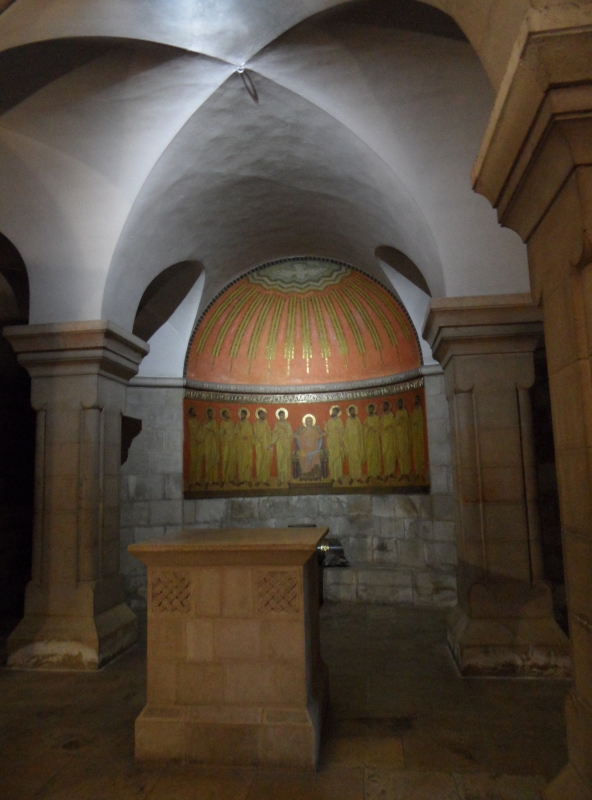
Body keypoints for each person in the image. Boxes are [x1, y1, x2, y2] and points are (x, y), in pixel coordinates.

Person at [295, 414, 323, 479]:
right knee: (302, 456)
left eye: (310, 421)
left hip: (313, 448)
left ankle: (314, 473)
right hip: (305, 449)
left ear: (312, 422)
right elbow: (301, 439)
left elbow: (317, 438)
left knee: (315, 456)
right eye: (307, 421)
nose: (308, 423)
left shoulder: (314, 430)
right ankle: (305, 473)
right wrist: (297, 437)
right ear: (305, 423)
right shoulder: (303, 431)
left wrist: (321, 435)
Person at [344, 404, 364, 483]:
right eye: (351, 411)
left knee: (357, 460)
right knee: (351, 461)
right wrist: (345, 441)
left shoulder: (357, 420)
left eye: (354, 411)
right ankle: (352, 477)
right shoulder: (348, 421)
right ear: (349, 412)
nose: (353, 412)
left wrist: (361, 441)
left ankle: (358, 477)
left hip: (357, 443)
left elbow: (360, 431)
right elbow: (346, 432)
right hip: (350, 444)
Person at [272, 408, 293, 485]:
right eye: (281, 415)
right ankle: (280, 479)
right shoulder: (277, 424)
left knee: (286, 460)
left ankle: (287, 478)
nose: (282, 417)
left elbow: (291, 433)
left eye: (283, 415)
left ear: (285, 416)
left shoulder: (287, 424)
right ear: (279, 416)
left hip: (286, 444)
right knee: (280, 460)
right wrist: (272, 442)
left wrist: (286, 432)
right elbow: (275, 434)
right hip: (279, 444)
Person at [324, 405, 344, 484]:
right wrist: (325, 426)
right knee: (332, 459)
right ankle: (333, 477)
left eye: (335, 412)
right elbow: (327, 431)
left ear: (337, 413)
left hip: (337, 442)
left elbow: (342, 431)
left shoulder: (339, 420)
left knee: (338, 460)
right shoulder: (329, 421)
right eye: (333, 411)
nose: (333, 413)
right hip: (331, 442)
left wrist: (339, 430)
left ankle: (339, 477)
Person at [253, 408, 272, 486]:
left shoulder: (266, 424)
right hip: (259, 445)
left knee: (266, 461)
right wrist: (259, 437)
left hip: (266, 445)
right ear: (258, 415)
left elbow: (269, 434)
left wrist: (269, 444)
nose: (263, 415)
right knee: (259, 461)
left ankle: (265, 479)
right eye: (261, 414)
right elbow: (254, 434)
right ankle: (259, 479)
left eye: (264, 414)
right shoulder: (256, 424)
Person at [235, 408, 254, 485]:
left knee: (247, 462)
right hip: (240, 445)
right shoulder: (238, 424)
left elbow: (251, 433)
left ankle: (248, 479)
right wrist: (241, 436)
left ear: (246, 415)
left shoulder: (248, 424)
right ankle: (241, 479)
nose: (242, 415)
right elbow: (236, 433)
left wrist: (247, 436)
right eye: (241, 414)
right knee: (241, 462)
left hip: (247, 445)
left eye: (243, 414)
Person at [187, 406, 204, 487]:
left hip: (199, 443)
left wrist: (201, 426)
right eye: (193, 411)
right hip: (194, 443)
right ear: (190, 413)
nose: (195, 412)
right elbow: (194, 431)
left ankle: (197, 480)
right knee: (193, 461)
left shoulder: (196, 421)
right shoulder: (190, 421)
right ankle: (192, 480)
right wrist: (201, 426)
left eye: (195, 411)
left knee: (199, 461)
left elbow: (199, 430)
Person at [394, 397, 411, 478]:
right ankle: (402, 473)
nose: (399, 405)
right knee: (400, 455)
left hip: (404, 436)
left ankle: (406, 473)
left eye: (401, 403)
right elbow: (395, 424)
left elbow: (407, 423)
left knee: (405, 455)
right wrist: (399, 423)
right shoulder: (397, 413)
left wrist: (402, 422)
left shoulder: (405, 412)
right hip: (399, 437)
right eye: (398, 403)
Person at [219, 408, 236, 484]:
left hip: (232, 444)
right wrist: (224, 432)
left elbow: (234, 432)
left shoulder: (231, 423)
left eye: (228, 413)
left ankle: (231, 478)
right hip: (225, 444)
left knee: (231, 460)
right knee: (225, 460)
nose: (228, 415)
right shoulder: (223, 423)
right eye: (226, 414)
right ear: (223, 415)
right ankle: (224, 479)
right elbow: (220, 434)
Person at [364, 403, 381, 480]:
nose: (370, 410)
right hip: (369, 441)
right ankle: (369, 474)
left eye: (371, 409)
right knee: (369, 457)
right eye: (369, 409)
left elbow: (379, 428)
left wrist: (374, 429)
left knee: (376, 457)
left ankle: (376, 473)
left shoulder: (376, 418)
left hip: (375, 441)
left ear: (373, 410)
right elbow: (364, 429)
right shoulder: (367, 419)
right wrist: (367, 429)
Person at [203, 407, 219, 484]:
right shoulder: (205, 422)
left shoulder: (214, 422)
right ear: (207, 414)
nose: (211, 414)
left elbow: (217, 432)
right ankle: (208, 479)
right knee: (208, 460)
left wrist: (213, 430)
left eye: (211, 413)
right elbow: (203, 432)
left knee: (214, 460)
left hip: (214, 443)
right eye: (209, 413)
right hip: (208, 443)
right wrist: (210, 430)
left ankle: (214, 479)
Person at [380, 400, 396, 478]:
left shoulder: (391, 415)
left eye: (386, 406)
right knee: (385, 455)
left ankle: (391, 472)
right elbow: (380, 426)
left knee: (391, 455)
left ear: (388, 406)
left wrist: (389, 426)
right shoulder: (382, 416)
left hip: (390, 438)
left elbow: (393, 425)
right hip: (384, 439)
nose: (385, 407)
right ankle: (387, 473)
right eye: (384, 406)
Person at [411, 394, 425, 479]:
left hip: (419, 435)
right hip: (414, 435)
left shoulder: (420, 410)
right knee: (416, 454)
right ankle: (417, 473)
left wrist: (416, 424)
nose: (415, 401)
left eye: (416, 400)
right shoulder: (414, 411)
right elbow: (411, 422)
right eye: (414, 400)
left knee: (420, 454)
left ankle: (422, 473)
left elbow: (421, 421)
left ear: (419, 401)